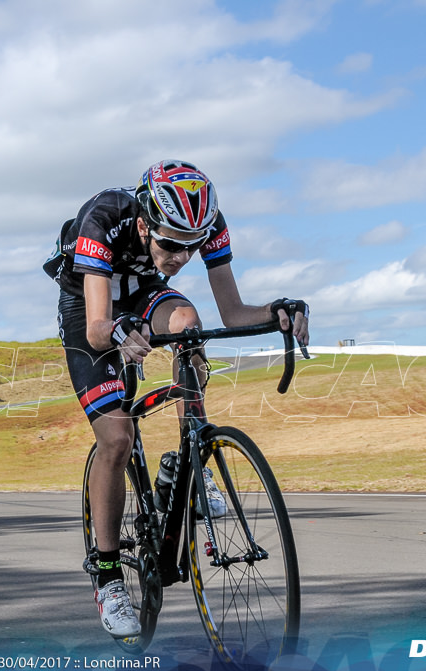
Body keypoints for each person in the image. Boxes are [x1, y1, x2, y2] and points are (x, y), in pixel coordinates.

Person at [43, 159, 310, 640]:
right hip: (91, 306)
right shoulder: (103, 217)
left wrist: (278, 311)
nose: (180, 256)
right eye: (170, 244)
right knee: (117, 438)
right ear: (145, 224)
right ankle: (106, 576)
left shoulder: (206, 224)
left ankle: (190, 458)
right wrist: (119, 332)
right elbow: (99, 327)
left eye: (192, 247)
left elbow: (232, 311)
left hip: (145, 294)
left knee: (189, 323)